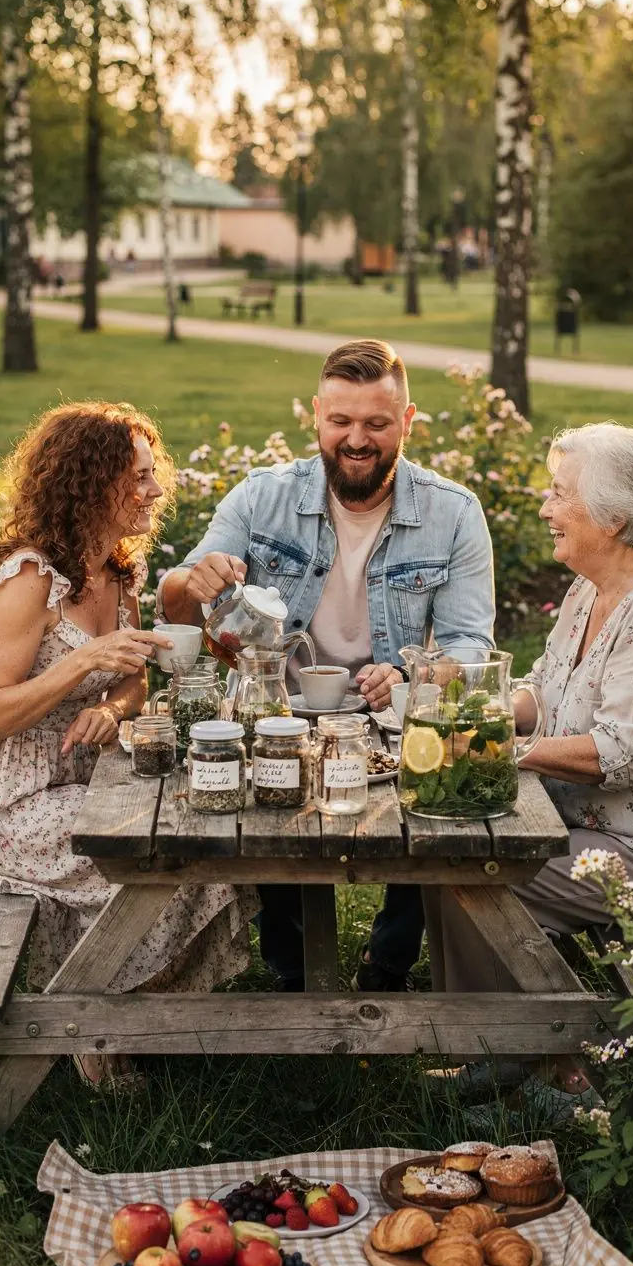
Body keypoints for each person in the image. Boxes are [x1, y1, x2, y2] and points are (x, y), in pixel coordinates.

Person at [159, 338, 495, 992]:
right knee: (262, 798)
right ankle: (295, 971)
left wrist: (413, 675)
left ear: (408, 420)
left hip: (387, 722)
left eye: (376, 423)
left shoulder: (453, 513)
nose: (357, 439)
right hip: (276, 714)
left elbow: (468, 644)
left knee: (438, 785)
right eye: (340, 420)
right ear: (316, 415)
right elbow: (181, 599)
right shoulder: (261, 497)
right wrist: (190, 580)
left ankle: (388, 964)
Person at [0, 402, 259, 1085]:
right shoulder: (31, 579)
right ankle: (95, 1033)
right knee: (159, 859)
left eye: (152, 474)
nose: (155, 490)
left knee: (198, 843)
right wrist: (82, 663)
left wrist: (113, 710)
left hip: (84, 778)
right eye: (138, 477)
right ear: (89, 483)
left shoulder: (118, 572)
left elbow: (134, 681)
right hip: (4, 801)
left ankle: (119, 1019)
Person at [423, 422, 633, 1002]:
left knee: (471, 875)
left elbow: (621, 754)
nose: (545, 508)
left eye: (560, 493)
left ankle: (504, 1043)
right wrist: (480, 709)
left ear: (613, 518)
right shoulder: (591, 587)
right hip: (605, 829)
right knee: (456, 851)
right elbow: (544, 688)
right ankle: (478, 1024)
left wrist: (494, 747)